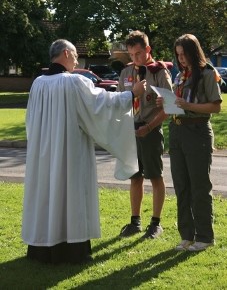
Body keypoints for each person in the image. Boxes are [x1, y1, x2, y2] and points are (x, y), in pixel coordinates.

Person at [22, 39, 146, 264]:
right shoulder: (73, 83)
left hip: (43, 153)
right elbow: (102, 103)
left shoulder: (38, 83)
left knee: (48, 194)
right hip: (70, 152)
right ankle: (73, 250)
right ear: (67, 53)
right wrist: (132, 94)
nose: (78, 59)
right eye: (76, 55)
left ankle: (42, 249)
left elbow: (30, 121)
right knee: (71, 193)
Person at [157, 34, 222, 251]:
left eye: (184, 54)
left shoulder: (207, 73)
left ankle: (204, 237)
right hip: (177, 130)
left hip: (197, 131)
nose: (181, 59)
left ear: (194, 51)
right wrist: (165, 102)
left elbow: (215, 107)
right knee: (181, 186)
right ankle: (187, 236)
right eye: (178, 55)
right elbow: (179, 103)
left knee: (199, 186)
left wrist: (188, 105)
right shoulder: (180, 75)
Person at [117, 30, 173, 239]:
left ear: (148, 50)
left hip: (150, 129)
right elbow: (119, 102)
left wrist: (149, 127)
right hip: (131, 130)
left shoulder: (159, 72)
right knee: (135, 177)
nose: (135, 59)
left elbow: (169, 108)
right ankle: (135, 221)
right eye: (131, 55)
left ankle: (156, 223)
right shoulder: (126, 73)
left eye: (139, 54)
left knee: (155, 176)